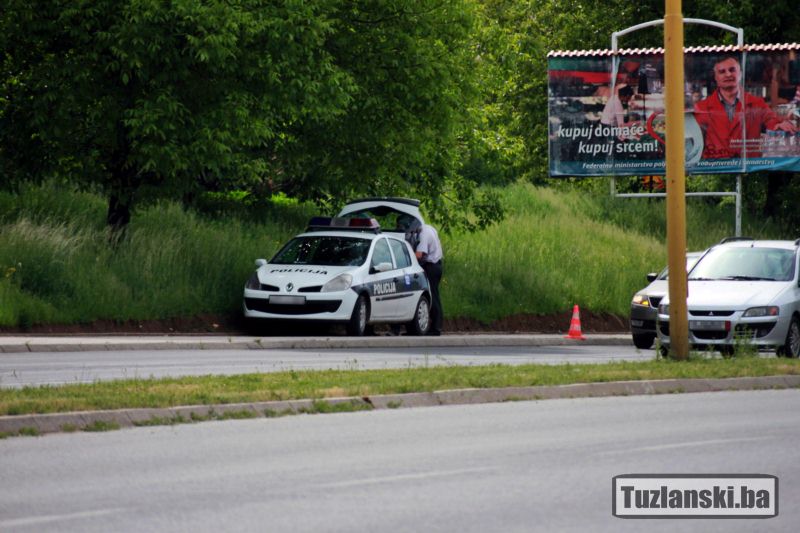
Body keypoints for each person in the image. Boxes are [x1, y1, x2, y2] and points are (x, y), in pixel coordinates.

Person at [694, 56, 797, 159]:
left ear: (740, 74)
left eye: (732, 70)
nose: (728, 74)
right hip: (718, 170)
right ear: (715, 77)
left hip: (749, 169)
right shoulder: (702, 107)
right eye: (722, 72)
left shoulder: (757, 103)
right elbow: (693, 139)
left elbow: (772, 121)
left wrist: (780, 124)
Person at [397, 214, 443, 336]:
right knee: (429, 295)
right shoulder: (428, 228)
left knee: (432, 296)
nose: (409, 232)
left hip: (431, 267)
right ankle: (421, 328)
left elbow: (419, 255)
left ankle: (436, 328)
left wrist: (404, 257)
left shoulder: (423, 234)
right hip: (435, 265)